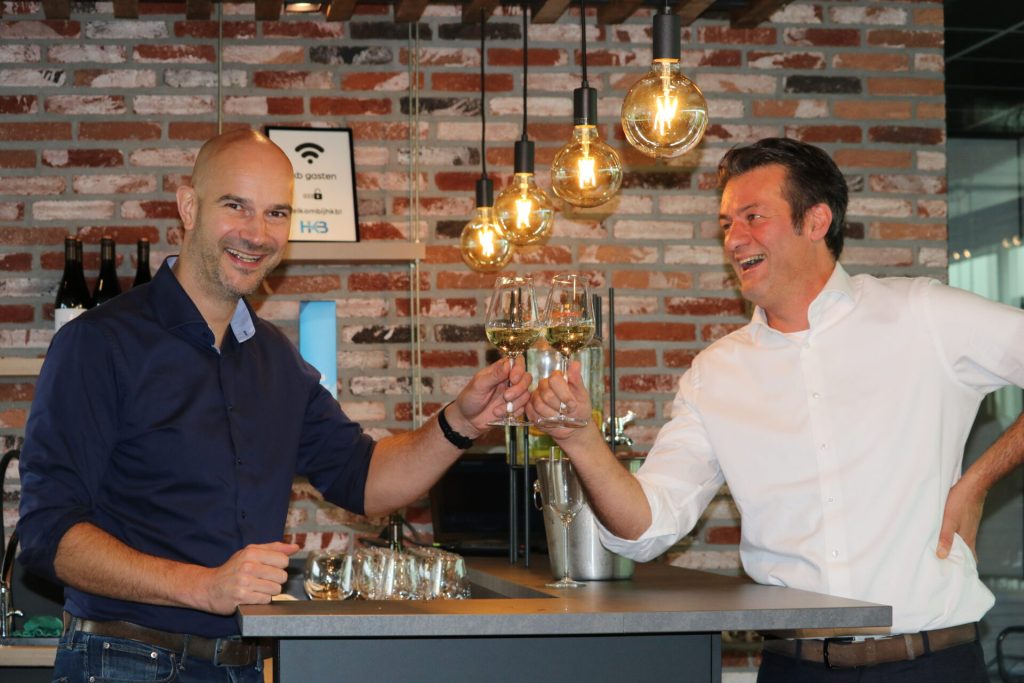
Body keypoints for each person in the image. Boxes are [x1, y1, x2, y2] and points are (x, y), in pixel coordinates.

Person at [16, 129, 531, 683]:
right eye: (235, 206)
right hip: (124, 662)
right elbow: (49, 534)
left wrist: (460, 421)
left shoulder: (275, 360)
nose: (257, 234)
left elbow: (365, 479)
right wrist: (203, 585)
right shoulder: (100, 343)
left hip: (241, 665)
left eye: (276, 213)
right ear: (189, 207)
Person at [527, 137, 1024, 682]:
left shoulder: (922, 313)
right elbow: (647, 529)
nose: (734, 239)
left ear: (815, 221)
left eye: (753, 217)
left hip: (933, 665)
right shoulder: (716, 373)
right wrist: (581, 440)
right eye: (725, 224)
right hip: (795, 670)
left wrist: (978, 479)